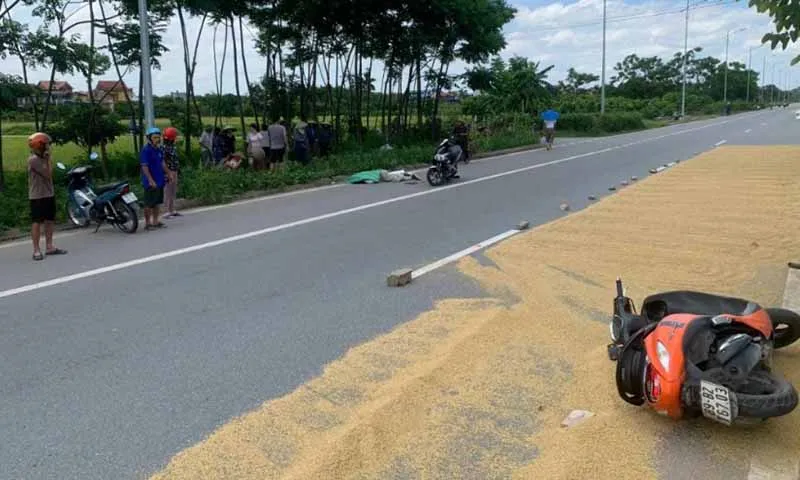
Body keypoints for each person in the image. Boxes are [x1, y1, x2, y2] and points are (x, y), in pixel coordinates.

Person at [27, 132, 67, 261]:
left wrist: (47, 159)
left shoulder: (43, 158)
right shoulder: (34, 160)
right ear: (40, 145)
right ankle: (36, 250)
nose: (48, 146)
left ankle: (49, 246)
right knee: (37, 222)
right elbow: (48, 174)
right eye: (46, 144)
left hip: (49, 193)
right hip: (37, 196)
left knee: (49, 220)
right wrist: (48, 159)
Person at [140, 127, 168, 230]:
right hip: (150, 182)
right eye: (155, 137)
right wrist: (151, 180)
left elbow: (162, 163)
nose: (158, 139)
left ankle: (155, 221)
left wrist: (169, 173)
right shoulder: (146, 150)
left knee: (156, 202)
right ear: (149, 138)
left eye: (158, 137)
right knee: (148, 203)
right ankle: (147, 224)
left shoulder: (158, 149)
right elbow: (144, 166)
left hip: (159, 180)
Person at [162, 126, 182, 218]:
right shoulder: (164, 148)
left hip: (174, 170)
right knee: (168, 191)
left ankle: (172, 210)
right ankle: (166, 211)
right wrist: (168, 173)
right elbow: (163, 162)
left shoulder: (172, 147)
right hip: (168, 172)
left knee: (173, 191)